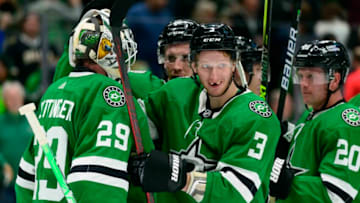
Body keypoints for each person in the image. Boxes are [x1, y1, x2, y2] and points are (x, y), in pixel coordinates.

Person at [129, 23, 280, 203]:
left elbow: (233, 194)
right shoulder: (177, 93)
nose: (214, 77)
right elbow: (134, 123)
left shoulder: (257, 118)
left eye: (221, 65)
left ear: (234, 64)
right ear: (193, 65)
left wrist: (182, 178)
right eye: (206, 66)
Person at [15, 9, 154, 202]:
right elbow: (97, 180)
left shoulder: (54, 91)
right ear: (107, 51)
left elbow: (26, 179)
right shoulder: (108, 94)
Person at [270, 40, 360, 202]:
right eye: (301, 76)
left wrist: (289, 184)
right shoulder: (311, 114)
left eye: (311, 77)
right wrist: (287, 134)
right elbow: (309, 146)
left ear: (334, 79)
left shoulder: (345, 124)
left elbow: (338, 194)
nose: (303, 84)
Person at [0, 81, 32, 202]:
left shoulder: (33, 119)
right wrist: (3, 163)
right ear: (5, 100)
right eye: (10, 98)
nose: (14, 101)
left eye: (16, 97)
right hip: (7, 184)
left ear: (22, 98)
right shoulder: (1, 121)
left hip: (30, 183)